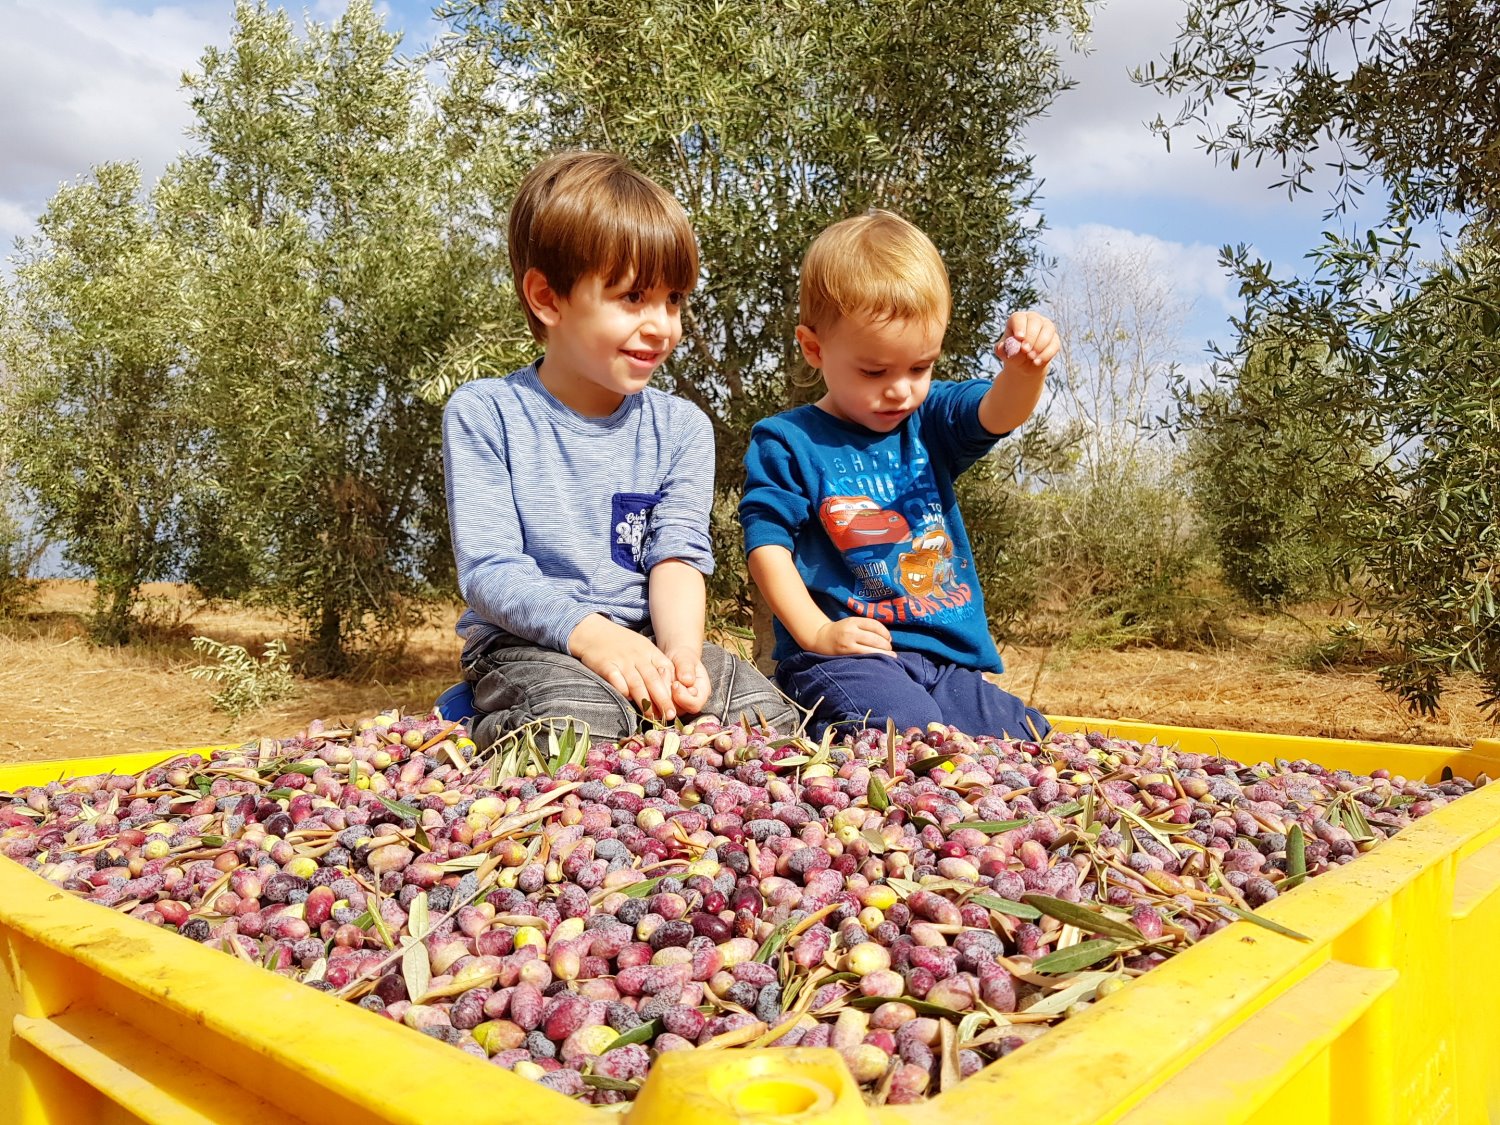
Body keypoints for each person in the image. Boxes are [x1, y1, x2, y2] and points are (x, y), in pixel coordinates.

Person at [443, 151, 797, 749]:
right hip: (530, 641)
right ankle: (470, 718)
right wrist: (593, 637)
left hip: (648, 637)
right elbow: (491, 572)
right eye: (633, 297)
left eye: (674, 299)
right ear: (548, 298)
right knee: (578, 723)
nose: (662, 326)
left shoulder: (682, 427)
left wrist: (682, 654)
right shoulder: (487, 413)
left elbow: (677, 556)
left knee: (764, 719)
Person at [740, 209, 1056, 740]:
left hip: (946, 666)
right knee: (904, 735)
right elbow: (766, 547)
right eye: (874, 371)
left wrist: (1025, 372)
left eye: (920, 367)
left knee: (1028, 739)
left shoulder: (928, 420)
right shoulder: (789, 441)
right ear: (814, 348)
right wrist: (817, 631)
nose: (901, 390)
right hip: (846, 658)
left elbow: (999, 412)